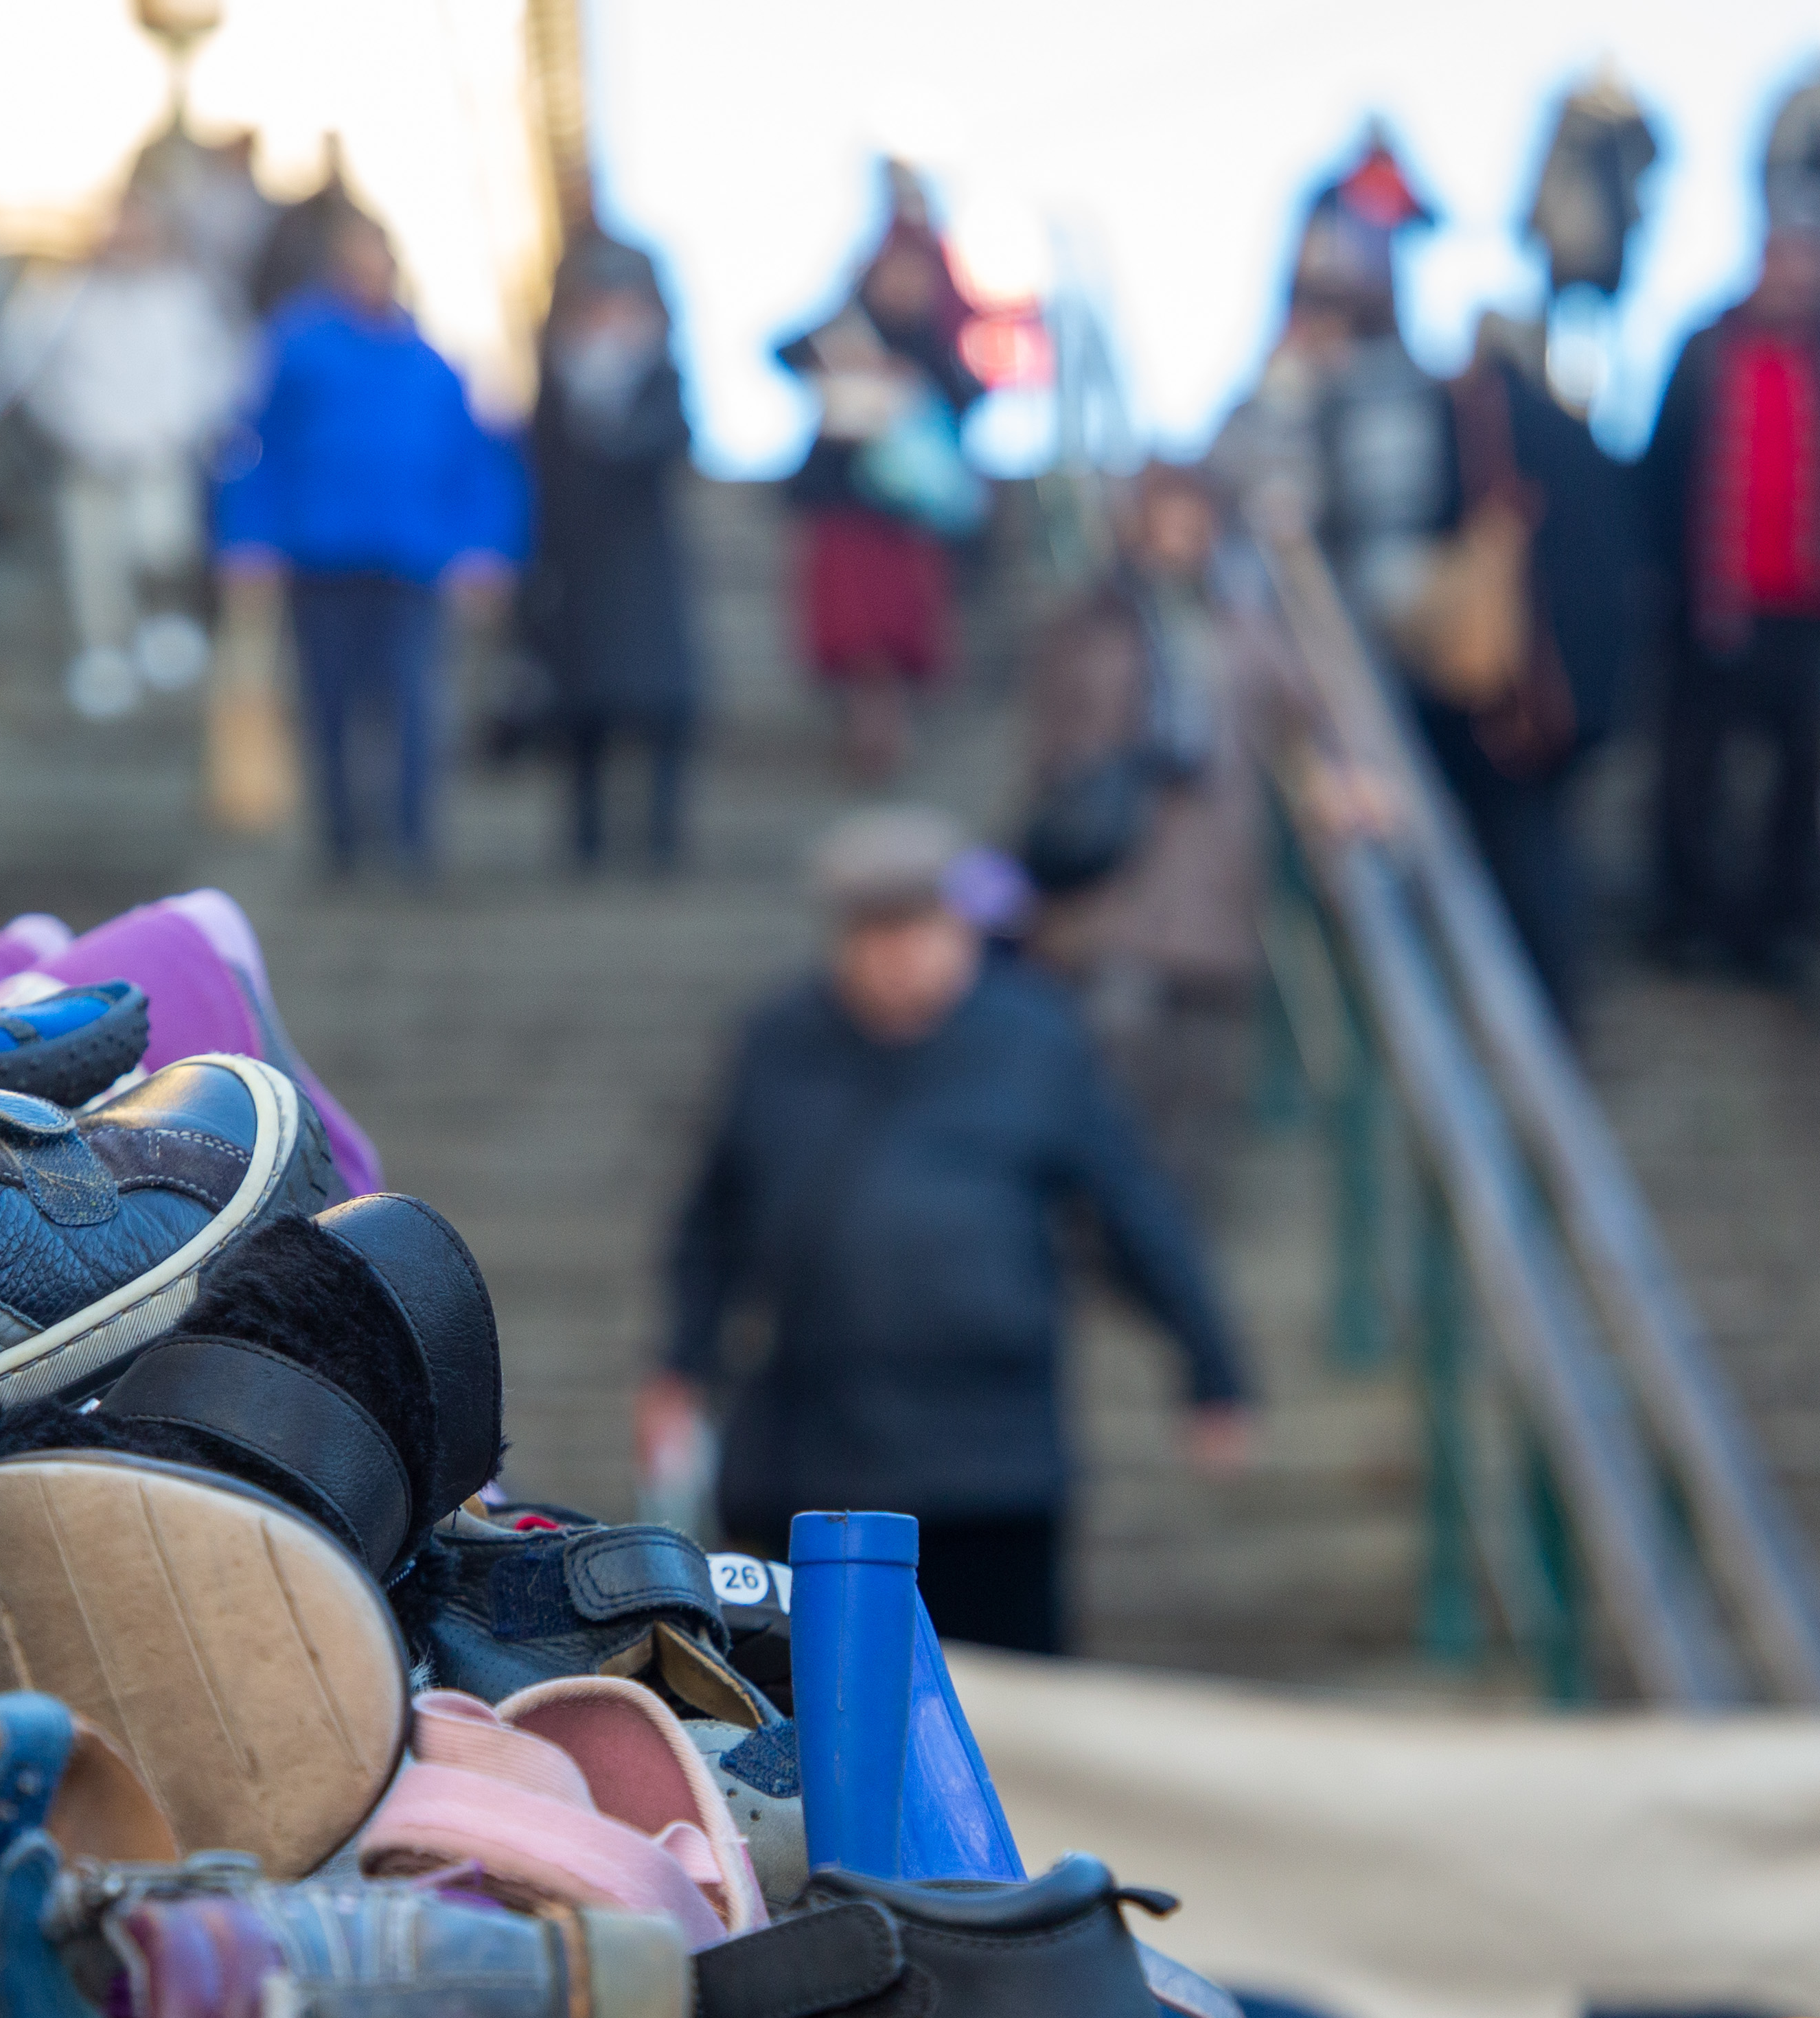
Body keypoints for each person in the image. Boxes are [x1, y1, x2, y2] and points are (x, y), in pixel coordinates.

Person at [645, 810, 1256, 1656]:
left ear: (961, 931)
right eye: (876, 933)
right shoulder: (777, 1041)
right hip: (817, 1454)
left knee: (1009, 1695)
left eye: (920, 929)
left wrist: (1213, 1369)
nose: (900, 957)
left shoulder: (1035, 1038)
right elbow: (715, 1222)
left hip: (993, 1459)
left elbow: (1133, 1209)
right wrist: (680, 1366)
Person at [1017, 462, 1303, 1208]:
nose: (1177, 541)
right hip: (1112, 881)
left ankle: (1177, 1228)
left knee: (1204, 1075)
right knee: (1117, 1056)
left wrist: (1348, 785)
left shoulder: (1242, 628)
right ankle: (1106, 1220)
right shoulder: (1088, 625)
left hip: (1216, 882)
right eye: (1162, 523)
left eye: (1191, 524)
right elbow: (1048, 756)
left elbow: (1309, 709)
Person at [215, 213, 525, 873]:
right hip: (321, 557)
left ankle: (413, 842)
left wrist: (484, 547)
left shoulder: (433, 364)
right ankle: (342, 844)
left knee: (413, 702)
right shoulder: (297, 347)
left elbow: (477, 462)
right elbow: (255, 446)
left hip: (410, 560)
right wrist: (249, 536)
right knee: (328, 705)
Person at [1638, 212, 1820, 984]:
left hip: (1808, 604)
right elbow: (1661, 468)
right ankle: (1690, 918)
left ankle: (1783, 923)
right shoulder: (1705, 353)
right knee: (1693, 768)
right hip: (1714, 599)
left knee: (1798, 774)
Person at [1410, 313, 1636, 1028]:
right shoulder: (1574, 434)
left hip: (1517, 681)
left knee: (1520, 847)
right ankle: (1548, 1006)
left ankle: (1535, 1013)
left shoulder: (1484, 422)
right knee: (1544, 841)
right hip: (1572, 684)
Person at [776, 177, 984, 780]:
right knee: (857, 638)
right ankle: (863, 734)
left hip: (906, 518)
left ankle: (885, 736)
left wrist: (909, 383)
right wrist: (850, 359)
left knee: (891, 637)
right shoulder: (844, 333)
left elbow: (968, 395)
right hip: (843, 507)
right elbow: (782, 351)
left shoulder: (931, 349)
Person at [1208, 137, 1449, 655]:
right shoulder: (1282, 383)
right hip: (1300, 638)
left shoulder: (1407, 384)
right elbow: (1253, 498)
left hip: (1394, 647)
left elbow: (1398, 536)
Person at [28, 192, 245, 721]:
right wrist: (78, 429)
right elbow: (37, 374)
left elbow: (222, 370)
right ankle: (104, 655)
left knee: (162, 545)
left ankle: (164, 627)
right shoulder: (65, 299)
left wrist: (180, 427)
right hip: (91, 456)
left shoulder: (187, 296)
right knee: (94, 562)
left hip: (159, 454)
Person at [526, 231, 697, 870]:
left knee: (661, 707)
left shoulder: (658, 379)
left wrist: (607, 419)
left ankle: (661, 839)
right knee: (581, 712)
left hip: (645, 568)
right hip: (577, 569)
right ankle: (586, 840)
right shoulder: (557, 382)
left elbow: (665, 443)